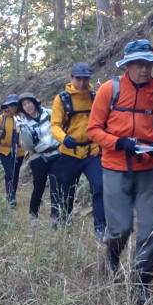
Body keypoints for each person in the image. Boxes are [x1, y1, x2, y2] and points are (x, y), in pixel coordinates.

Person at [87, 39, 153, 305]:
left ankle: (141, 284)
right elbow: (93, 130)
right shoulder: (109, 90)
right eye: (139, 64)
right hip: (115, 168)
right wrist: (118, 143)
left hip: (147, 169)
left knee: (150, 230)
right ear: (127, 65)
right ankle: (112, 261)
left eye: (148, 64)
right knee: (120, 228)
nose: (145, 69)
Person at [49, 62, 106, 239]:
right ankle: (64, 222)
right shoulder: (62, 99)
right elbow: (55, 125)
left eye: (85, 79)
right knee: (67, 190)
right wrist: (63, 138)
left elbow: (103, 120)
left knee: (100, 186)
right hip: (69, 153)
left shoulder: (95, 96)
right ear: (71, 78)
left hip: (92, 151)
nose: (82, 82)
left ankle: (100, 227)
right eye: (78, 78)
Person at [16, 91, 60, 227]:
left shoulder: (49, 113)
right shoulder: (23, 123)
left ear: (34, 102)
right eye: (24, 105)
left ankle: (55, 217)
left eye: (29, 102)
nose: (28, 106)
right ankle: (33, 214)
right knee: (39, 187)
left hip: (55, 154)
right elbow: (26, 146)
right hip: (38, 157)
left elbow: (60, 127)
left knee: (56, 186)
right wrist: (23, 130)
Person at [0, 94, 26, 206]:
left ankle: (12, 195)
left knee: (15, 174)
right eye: (11, 105)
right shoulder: (1, 118)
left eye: (15, 104)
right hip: (5, 151)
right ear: (7, 106)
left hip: (19, 151)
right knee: (10, 173)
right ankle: (10, 197)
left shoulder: (22, 117)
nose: (13, 107)